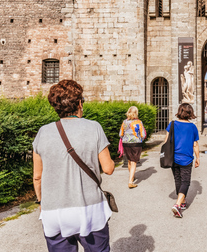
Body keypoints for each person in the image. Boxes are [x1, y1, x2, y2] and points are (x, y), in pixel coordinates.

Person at [32, 79, 115, 252]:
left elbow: (37, 176)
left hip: (54, 210)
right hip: (89, 208)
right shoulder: (94, 127)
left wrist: (41, 201)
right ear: (78, 104)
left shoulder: (43, 132)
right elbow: (108, 168)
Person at [165, 103, 200, 218]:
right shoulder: (192, 127)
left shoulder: (172, 124)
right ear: (190, 113)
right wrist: (198, 158)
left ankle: (183, 202)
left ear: (179, 111)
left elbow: (166, 141)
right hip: (186, 158)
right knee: (185, 181)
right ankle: (177, 205)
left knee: (177, 179)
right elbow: (195, 144)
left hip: (173, 157)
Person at [119, 106, 147, 188]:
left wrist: (126, 138)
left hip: (126, 143)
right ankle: (130, 181)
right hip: (136, 144)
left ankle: (132, 175)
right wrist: (139, 139)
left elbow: (120, 134)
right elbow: (143, 135)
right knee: (134, 161)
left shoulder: (124, 122)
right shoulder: (139, 122)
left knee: (129, 161)